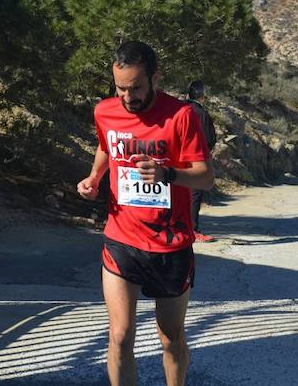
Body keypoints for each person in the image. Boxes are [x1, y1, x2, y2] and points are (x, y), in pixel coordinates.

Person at [77, 41, 214, 386]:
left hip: (170, 244)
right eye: (120, 88)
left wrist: (168, 174)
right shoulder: (105, 111)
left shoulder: (181, 116)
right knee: (120, 336)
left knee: (171, 339)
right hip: (121, 239)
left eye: (136, 87)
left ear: (156, 77)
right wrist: (94, 178)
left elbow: (206, 177)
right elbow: (107, 145)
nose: (127, 96)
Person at [186, 80, 217, 243]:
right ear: (202, 97)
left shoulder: (180, 108)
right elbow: (208, 138)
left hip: (175, 159)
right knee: (194, 195)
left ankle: (180, 228)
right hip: (195, 160)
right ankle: (193, 230)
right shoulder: (201, 113)